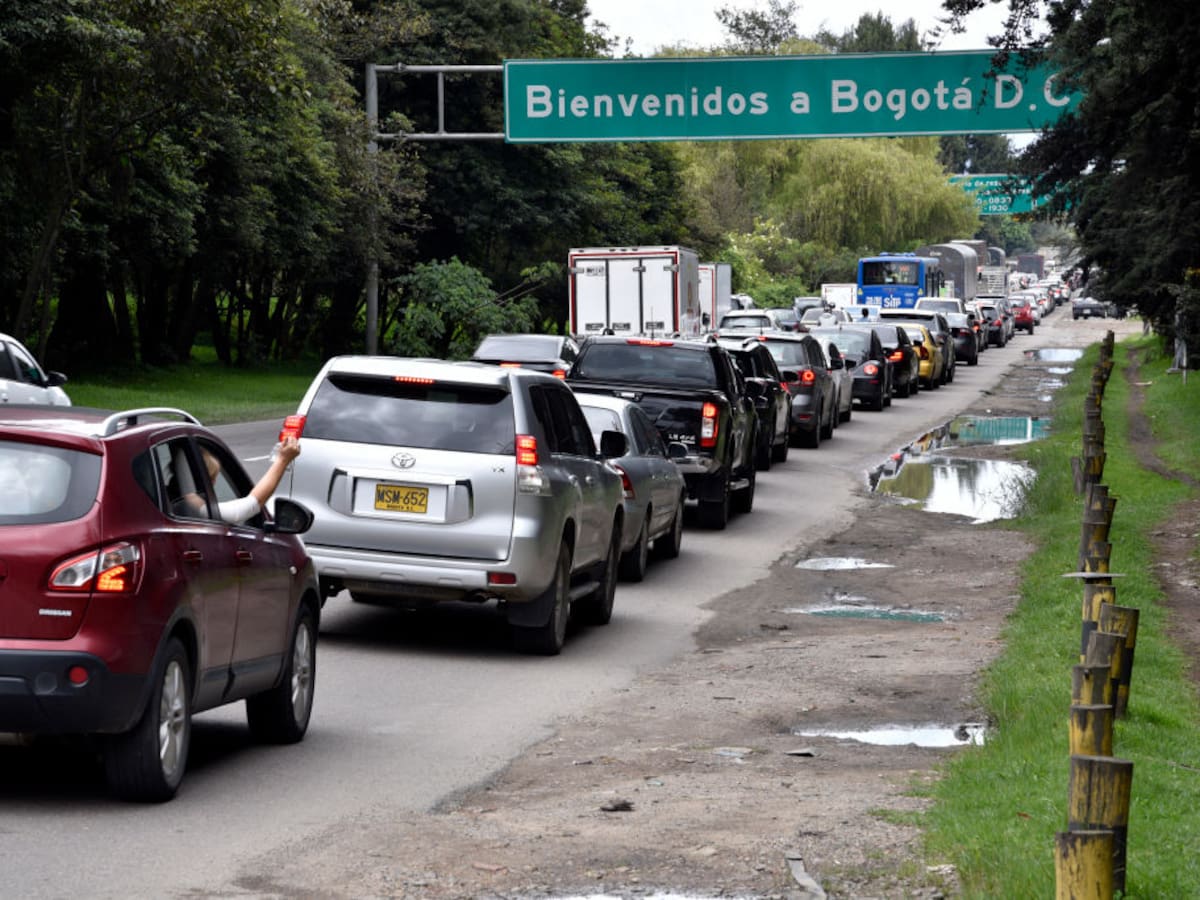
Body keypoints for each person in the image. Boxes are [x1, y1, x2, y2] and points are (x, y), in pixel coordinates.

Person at [196, 436, 301, 525]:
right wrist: (282, 460)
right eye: (211, 478)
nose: (214, 483)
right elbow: (250, 505)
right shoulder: (194, 504)